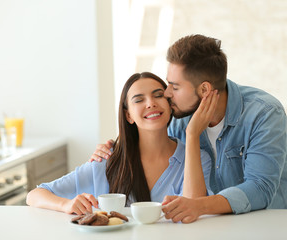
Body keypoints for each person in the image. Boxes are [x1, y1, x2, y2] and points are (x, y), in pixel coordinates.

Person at [90, 34, 287, 223]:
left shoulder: (264, 113)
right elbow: (151, 144)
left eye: (174, 87)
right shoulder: (180, 116)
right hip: (204, 228)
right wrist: (114, 149)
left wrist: (200, 206)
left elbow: (260, 188)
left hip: (264, 227)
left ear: (204, 90)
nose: (167, 93)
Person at [26, 72, 216, 215]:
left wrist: (191, 135)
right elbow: (35, 195)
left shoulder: (197, 158)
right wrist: (66, 204)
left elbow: (193, 211)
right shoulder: (106, 161)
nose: (150, 103)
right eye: (139, 100)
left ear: (169, 104)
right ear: (128, 115)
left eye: (158, 95)